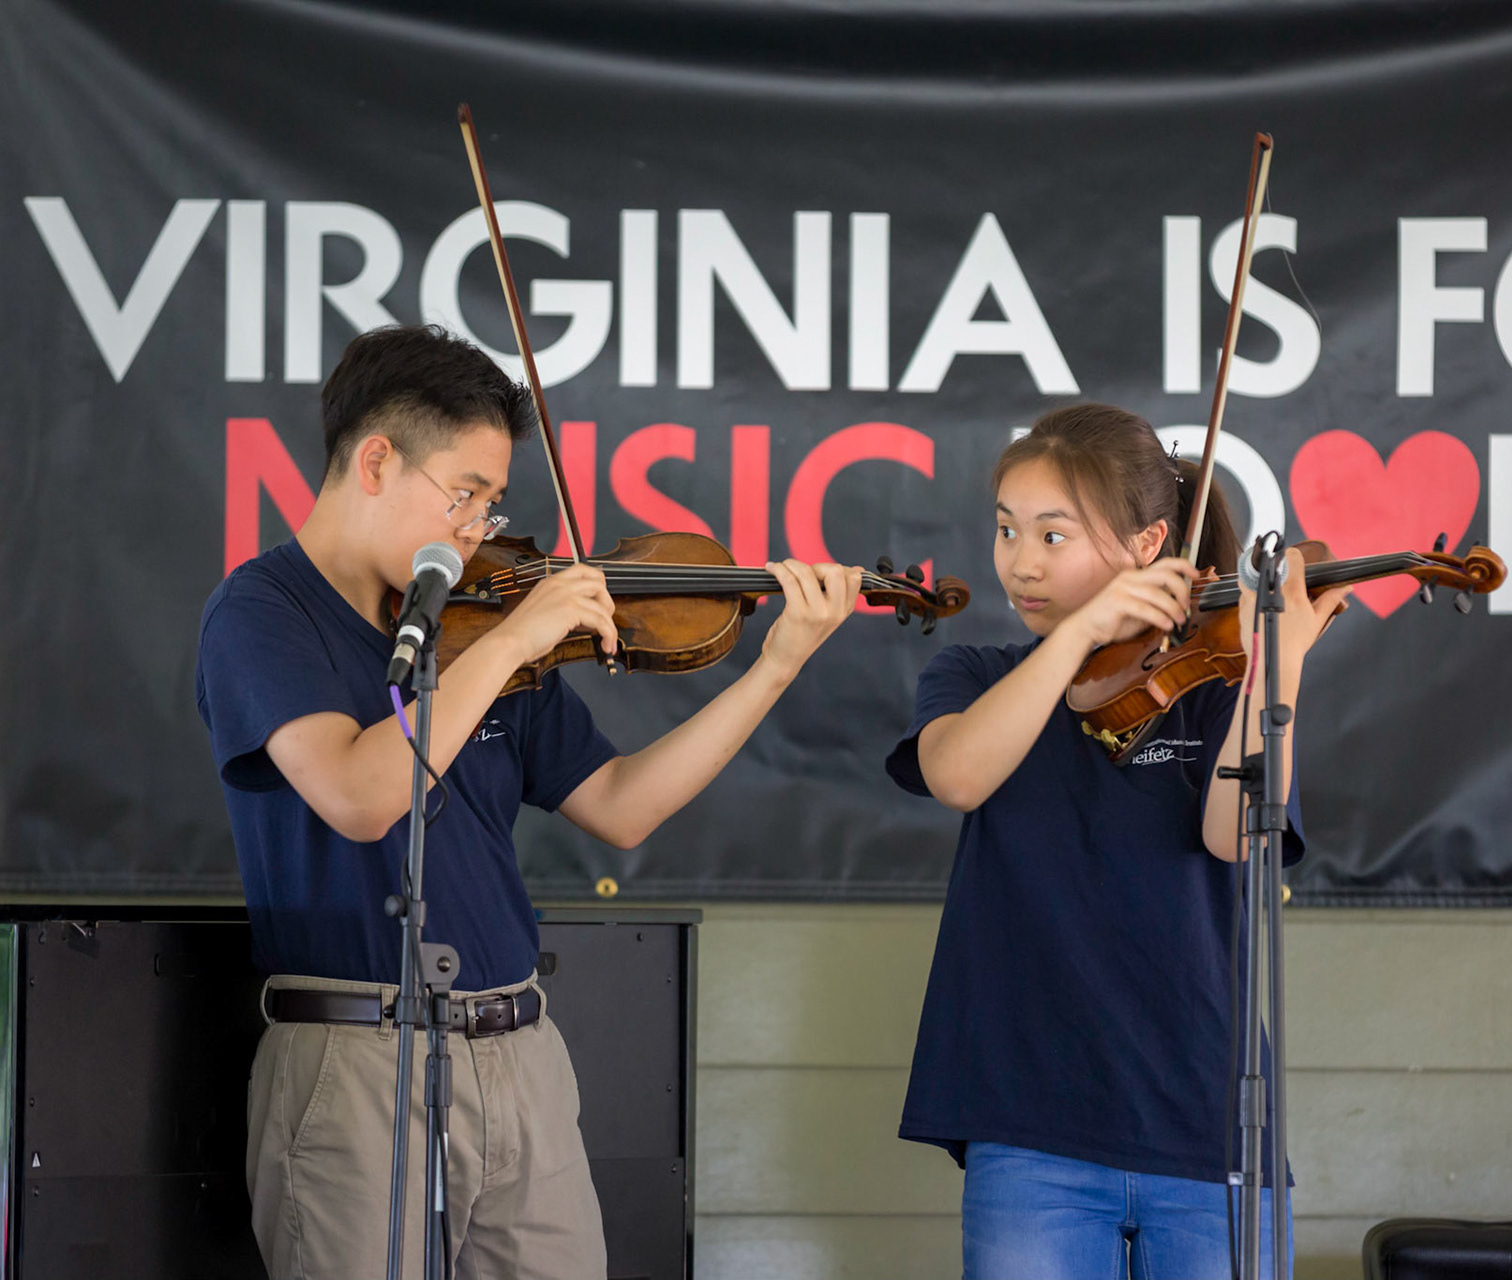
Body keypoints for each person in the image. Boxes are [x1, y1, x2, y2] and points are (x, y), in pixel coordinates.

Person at [196, 324, 862, 1280]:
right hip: (357, 1058)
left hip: (519, 1048)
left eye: (493, 502)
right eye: (463, 495)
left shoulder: (489, 619)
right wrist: (512, 645)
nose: (477, 528)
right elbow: (356, 794)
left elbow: (622, 805)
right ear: (376, 460)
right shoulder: (262, 612)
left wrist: (775, 667)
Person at [884, 404, 1350, 1279]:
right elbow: (957, 776)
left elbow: (1232, 838)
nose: (1021, 561)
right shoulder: (978, 675)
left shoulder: (1217, 686)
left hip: (1209, 1130)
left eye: (1053, 536)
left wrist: (1275, 665)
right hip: (1030, 1130)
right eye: (1006, 530)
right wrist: (1075, 639)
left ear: (1149, 544)